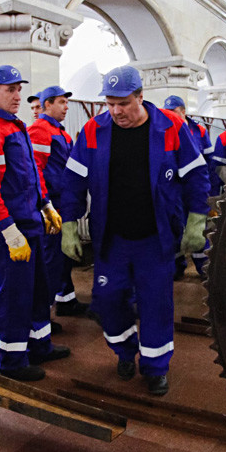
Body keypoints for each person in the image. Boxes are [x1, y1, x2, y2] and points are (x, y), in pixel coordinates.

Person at [59, 65, 209, 396]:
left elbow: (196, 175)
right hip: (111, 239)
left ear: (140, 96)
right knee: (109, 301)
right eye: (110, 103)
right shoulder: (93, 131)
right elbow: (73, 179)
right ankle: (125, 351)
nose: (116, 111)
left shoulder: (170, 127)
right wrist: (69, 223)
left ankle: (155, 368)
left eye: (123, 103)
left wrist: (198, 219)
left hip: (155, 239)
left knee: (156, 304)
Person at [0, 65, 70, 381]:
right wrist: (8, 230)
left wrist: (46, 204)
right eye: (10, 89)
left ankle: (40, 345)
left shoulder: (16, 127)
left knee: (39, 290)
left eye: (18, 89)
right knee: (15, 296)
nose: (17, 95)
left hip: (32, 223)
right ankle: (12, 361)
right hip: (13, 230)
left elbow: (32, 174)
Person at [28, 86, 89, 317]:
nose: (66, 107)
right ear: (47, 105)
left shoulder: (59, 132)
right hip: (51, 205)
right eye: (62, 102)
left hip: (62, 203)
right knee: (50, 261)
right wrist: (45, 205)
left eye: (66, 102)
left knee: (62, 258)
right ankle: (41, 317)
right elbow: (35, 171)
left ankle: (66, 299)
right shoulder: (40, 130)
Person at [162, 94, 212, 278]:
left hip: (194, 188)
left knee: (199, 228)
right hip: (175, 190)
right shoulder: (166, 130)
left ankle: (203, 267)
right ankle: (177, 266)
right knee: (175, 227)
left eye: (173, 111)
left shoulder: (199, 130)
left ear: (183, 111)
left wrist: (209, 191)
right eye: (167, 112)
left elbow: (208, 163)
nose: (170, 115)